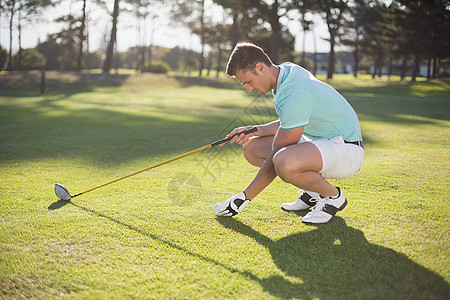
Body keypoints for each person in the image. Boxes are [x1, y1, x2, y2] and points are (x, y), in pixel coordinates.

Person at [213, 42, 364, 224]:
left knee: (284, 162)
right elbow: (292, 121)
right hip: (321, 143)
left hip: (346, 150)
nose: (249, 89)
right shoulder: (285, 72)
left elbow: (279, 151)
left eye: (248, 82)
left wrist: (243, 198)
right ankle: (313, 193)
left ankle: (332, 197)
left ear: (260, 68)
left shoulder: (295, 91)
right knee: (253, 148)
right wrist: (254, 130)